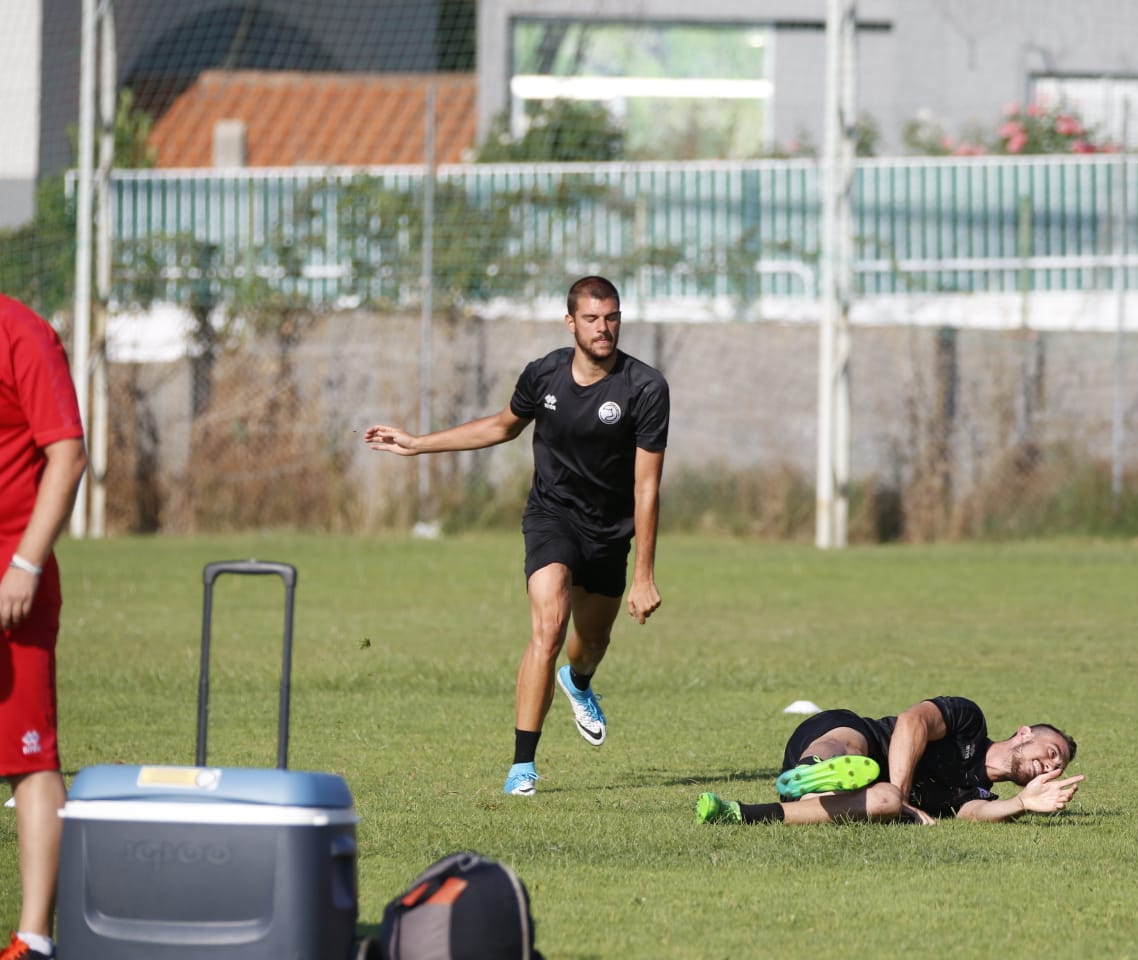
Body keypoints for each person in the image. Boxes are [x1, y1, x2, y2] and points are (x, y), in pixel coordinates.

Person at [365, 276, 669, 797]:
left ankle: (579, 682)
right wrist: (416, 445)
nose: (603, 328)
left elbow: (646, 487)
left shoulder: (645, 388)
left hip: (609, 531)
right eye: (592, 319)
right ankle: (522, 765)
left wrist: (644, 575)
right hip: (552, 516)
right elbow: (501, 426)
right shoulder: (543, 374)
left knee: (590, 644)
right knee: (548, 627)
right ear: (570, 322)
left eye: (612, 317)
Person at [1, 295, 88, 960]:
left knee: (27, 758)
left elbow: (68, 454)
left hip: (10, 581)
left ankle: (32, 940)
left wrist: (26, 563)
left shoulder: (21, 333)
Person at [695, 696, 1082, 825]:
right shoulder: (969, 723)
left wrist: (1022, 803)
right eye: (1052, 753)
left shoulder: (978, 791)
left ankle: (737, 813)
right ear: (1024, 733)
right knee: (848, 745)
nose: (1050, 766)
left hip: (866, 791)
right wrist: (903, 793)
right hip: (846, 733)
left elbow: (974, 813)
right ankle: (813, 770)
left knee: (881, 802)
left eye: (1056, 768)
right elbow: (913, 721)